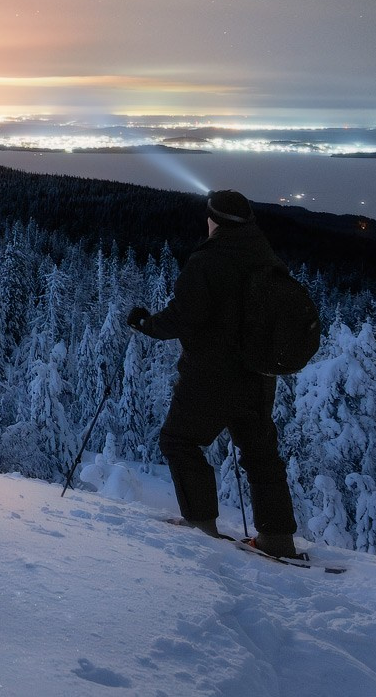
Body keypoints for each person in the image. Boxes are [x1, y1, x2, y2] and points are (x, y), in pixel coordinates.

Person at [127, 189, 299, 559]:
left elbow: (183, 316)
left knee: (178, 441)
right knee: (260, 455)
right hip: (257, 376)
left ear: (214, 220)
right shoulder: (264, 255)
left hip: (210, 377)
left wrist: (146, 324)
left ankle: (201, 526)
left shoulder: (208, 261)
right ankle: (277, 539)